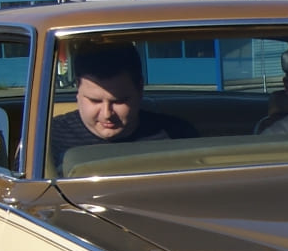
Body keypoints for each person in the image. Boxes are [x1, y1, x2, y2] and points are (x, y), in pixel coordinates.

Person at [50, 43, 195, 166]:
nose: (107, 114)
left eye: (119, 101)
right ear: (77, 88)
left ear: (140, 89)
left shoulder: (177, 136)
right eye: (95, 101)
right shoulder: (48, 139)